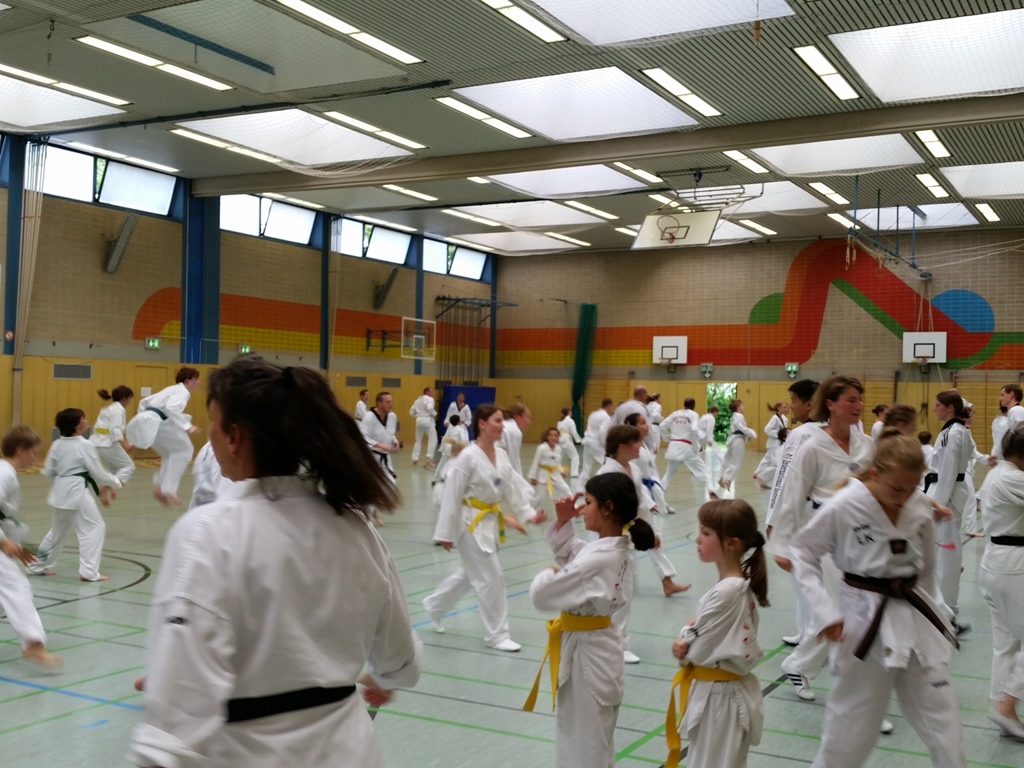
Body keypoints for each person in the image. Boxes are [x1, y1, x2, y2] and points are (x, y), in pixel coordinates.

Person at [130, 356, 422, 768]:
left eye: (213, 421)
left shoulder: (208, 533)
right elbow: (402, 662)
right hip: (349, 750)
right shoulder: (357, 526)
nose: (209, 433)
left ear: (234, 436)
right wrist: (382, 679)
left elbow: (173, 733)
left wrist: (173, 676)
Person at [790, 430, 964, 768]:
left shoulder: (917, 503)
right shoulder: (844, 504)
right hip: (863, 622)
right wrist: (825, 613)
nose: (905, 496)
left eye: (912, 487)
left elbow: (927, 568)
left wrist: (938, 610)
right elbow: (802, 551)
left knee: (946, 730)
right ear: (874, 473)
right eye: (897, 488)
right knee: (848, 739)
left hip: (916, 620)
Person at [525, 473, 655, 768]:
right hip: (599, 648)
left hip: (587, 658)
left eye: (588, 502)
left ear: (607, 508)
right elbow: (577, 555)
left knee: (583, 745)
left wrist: (548, 574)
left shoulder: (600, 558)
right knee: (594, 742)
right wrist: (563, 522)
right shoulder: (614, 547)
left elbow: (543, 596)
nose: (582, 508)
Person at [769, 375, 877, 708]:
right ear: (830, 404)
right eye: (851, 400)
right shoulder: (812, 446)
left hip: (860, 539)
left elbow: (881, 487)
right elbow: (792, 496)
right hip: (823, 538)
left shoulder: (867, 445)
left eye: (860, 399)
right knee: (843, 613)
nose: (859, 406)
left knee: (856, 613)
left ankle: (799, 665)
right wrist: (781, 545)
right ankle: (857, 695)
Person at [423, 404, 537, 652]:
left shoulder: (501, 455)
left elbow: (511, 489)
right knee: (491, 578)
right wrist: (445, 533)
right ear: (482, 424)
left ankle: (434, 606)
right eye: (497, 420)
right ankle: (497, 635)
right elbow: (452, 495)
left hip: (488, 523)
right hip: (469, 523)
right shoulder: (468, 457)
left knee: (469, 574)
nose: (502, 426)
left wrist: (528, 513)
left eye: (502, 421)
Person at [665, 499, 767, 768]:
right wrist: (690, 632)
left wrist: (685, 635)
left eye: (706, 533)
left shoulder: (728, 591)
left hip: (721, 700)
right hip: (720, 695)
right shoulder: (735, 586)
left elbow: (696, 650)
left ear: (731, 543)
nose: (697, 539)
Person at [27, 409, 120, 582]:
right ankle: (88, 571)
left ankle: (36, 566)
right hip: (76, 491)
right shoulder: (84, 445)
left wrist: (64, 476)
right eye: (83, 418)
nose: (86, 420)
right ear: (77, 425)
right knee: (94, 527)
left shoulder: (57, 444)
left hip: (59, 491)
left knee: (57, 532)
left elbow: (47, 471)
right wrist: (116, 481)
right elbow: (97, 472)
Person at [765, 378, 820, 646]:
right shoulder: (834, 431)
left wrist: (772, 518)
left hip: (804, 512)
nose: (792, 407)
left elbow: (783, 478)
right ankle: (807, 631)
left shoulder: (801, 434)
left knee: (804, 577)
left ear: (809, 404)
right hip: (827, 512)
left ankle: (811, 636)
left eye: (794, 401)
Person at [0, 426, 62, 668]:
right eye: (33, 452)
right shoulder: (5, 474)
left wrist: (11, 541)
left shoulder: (5, 471)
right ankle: (34, 644)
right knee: (17, 587)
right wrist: (3, 541)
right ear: (20, 450)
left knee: (15, 587)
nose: (35, 458)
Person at [978, 423, 1024, 740]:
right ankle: (1006, 705)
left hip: (997, 561)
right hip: (1012, 565)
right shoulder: (1012, 478)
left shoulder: (997, 473)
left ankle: (1002, 705)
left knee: (1006, 642)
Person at [596, 424, 657, 663]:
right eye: (636, 442)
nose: (641, 446)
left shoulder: (633, 469)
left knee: (625, 592)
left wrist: (650, 531)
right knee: (614, 592)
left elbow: (640, 504)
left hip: (626, 539)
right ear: (622, 447)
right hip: (608, 541)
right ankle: (614, 645)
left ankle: (616, 643)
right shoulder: (606, 473)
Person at [624, 413, 690, 596]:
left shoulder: (642, 444)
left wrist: (656, 498)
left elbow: (649, 475)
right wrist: (647, 500)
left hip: (643, 495)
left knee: (653, 539)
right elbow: (633, 478)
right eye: (642, 423)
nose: (647, 426)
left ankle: (667, 582)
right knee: (632, 540)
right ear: (632, 426)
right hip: (634, 498)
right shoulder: (630, 448)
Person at [927, 390, 973, 635]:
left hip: (947, 496)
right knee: (944, 555)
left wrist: (939, 504)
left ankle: (947, 615)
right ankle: (943, 612)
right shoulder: (958, 431)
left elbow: (947, 470)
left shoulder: (952, 433)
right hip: (950, 493)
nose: (934, 409)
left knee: (946, 557)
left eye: (938, 405)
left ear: (950, 408)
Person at [129, 367, 201, 506]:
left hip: (148, 421)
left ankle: (160, 486)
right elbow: (171, 408)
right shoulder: (183, 391)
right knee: (185, 450)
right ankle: (168, 489)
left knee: (170, 453)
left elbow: (143, 402)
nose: (198, 383)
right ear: (187, 381)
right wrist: (187, 426)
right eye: (196, 379)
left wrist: (143, 421)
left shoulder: (170, 389)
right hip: (158, 421)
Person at [660, 398, 714, 503]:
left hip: (674, 446)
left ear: (684, 404)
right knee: (704, 471)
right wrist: (696, 447)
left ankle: (657, 495)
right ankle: (712, 491)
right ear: (693, 405)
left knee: (668, 474)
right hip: (686, 447)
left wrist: (667, 438)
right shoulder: (693, 414)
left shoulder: (675, 414)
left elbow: (662, 426)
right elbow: (694, 429)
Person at [90, 386, 135, 484]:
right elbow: (115, 429)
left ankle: (107, 487)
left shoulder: (106, 409)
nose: (129, 402)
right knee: (128, 466)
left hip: (96, 444)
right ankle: (108, 487)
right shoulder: (119, 409)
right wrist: (125, 445)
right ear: (124, 398)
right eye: (129, 398)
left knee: (114, 470)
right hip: (108, 444)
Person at [529, 427, 572, 519]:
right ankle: (531, 512)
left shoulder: (558, 449)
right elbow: (536, 462)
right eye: (551, 435)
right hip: (544, 476)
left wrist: (561, 471)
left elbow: (558, 463)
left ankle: (573, 507)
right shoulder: (542, 448)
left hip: (556, 475)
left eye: (555, 435)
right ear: (547, 437)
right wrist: (533, 477)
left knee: (566, 489)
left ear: (558, 437)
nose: (553, 437)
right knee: (540, 497)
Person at [360, 391, 400, 480]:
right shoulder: (369, 417)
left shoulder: (393, 417)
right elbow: (362, 437)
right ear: (379, 404)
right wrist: (377, 444)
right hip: (372, 458)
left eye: (391, 401)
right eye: (388, 402)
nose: (391, 404)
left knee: (391, 483)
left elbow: (390, 434)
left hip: (386, 458)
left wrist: (394, 441)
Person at [718, 399, 756, 492]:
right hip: (738, 440)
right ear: (738, 407)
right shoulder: (739, 415)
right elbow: (741, 427)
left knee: (727, 459)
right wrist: (752, 433)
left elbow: (736, 429)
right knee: (736, 461)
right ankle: (727, 479)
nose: (743, 407)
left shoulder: (734, 416)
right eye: (742, 406)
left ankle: (720, 477)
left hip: (733, 439)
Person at [578, 399, 614, 491]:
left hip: (587, 441)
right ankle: (599, 484)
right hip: (596, 443)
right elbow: (602, 432)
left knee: (586, 467)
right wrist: (605, 445)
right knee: (606, 464)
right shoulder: (606, 417)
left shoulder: (593, 414)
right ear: (609, 406)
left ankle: (580, 489)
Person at [753, 402, 789, 489]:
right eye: (784, 407)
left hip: (779, 444)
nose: (786, 409)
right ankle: (762, 476)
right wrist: (778, 434)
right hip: (774, 444)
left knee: (766, 459)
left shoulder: (784, 419)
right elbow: (767, 429)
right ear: (779, 408)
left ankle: (757, 473)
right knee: (777, 464)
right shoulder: (775, 418)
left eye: (786, 407)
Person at [432, 414, 468, 485]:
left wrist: (442, 448)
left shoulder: (450, 429)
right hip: (455, 448)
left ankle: (435, 479)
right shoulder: (461, 430)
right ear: (458, 422)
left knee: (441, 464)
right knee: (458, 465)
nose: (461, 420)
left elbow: (444, 438)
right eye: (460, 419)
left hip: (447, 447)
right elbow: (464, 440)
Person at [698, 405, 723, 502]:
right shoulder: (711, 418)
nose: (717, 415)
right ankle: (723, 460)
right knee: (714, 447)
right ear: (714, 412)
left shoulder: (704, 416)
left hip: (698, 434)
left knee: (699, 449)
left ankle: (696, 465)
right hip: (704, 435)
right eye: (717, 413)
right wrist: (709, 439)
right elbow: (709, 429)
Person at [409, 386, 438, 468]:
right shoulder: (430, 399)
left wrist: (419, 415)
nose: (432, 393)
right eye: (431, 391)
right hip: (428, 420)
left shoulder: (417, 400)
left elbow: (411, 412)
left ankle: (415, 457)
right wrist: (435, 413)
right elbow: (430, 408)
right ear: (426, 392)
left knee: (418, 440)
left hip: (419, 420)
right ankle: (429, 456)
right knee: (433, 439)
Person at [557, 407, 583, 478]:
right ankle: (574, 473)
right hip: (566, 439)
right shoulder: (570, 421)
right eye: (570, 411)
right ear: (569, 412)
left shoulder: (560, 421)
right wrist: (579, 440)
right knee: (575, 456)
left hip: (559, 439)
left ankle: (556, 472)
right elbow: (574, 432)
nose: (571, 413)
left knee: (558, 458)